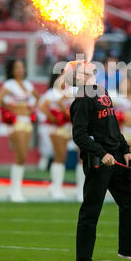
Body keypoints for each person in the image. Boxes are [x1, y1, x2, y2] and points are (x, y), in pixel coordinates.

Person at [65, 60, 131, 261]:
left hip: (115, 158)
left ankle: (127, 248)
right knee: (91, 210)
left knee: (130, 202)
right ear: (78, 77)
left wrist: (126, 151)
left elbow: (113, 125)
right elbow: (79, 135)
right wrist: (101, 153)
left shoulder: (101, 91)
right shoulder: (81, 100)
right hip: (99, 161)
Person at [0, 60, 39, 202]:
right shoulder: (9, 84)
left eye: (22, 67)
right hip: (16, 122)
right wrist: (11, 108)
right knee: (19, 154)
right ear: (12, 70)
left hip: (27, 121)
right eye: (17, 67)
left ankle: (15, 190)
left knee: (23, 155)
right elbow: (0, 98)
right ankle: (14, 191)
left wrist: (31, 109)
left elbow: (37, 97)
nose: (21, 70)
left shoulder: (28, 84)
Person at [39, 72, 84, 201]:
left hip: (73, 127)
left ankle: (80, 190)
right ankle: (56, 188)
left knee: (83, 156)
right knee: (60, 156)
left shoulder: (74, 90)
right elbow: (42, 107)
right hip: (58, 128)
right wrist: (54, 118)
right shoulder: (52, 93)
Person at [113, 76, 131, 155]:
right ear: (120, 85)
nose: (127, 85)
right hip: (122, 130)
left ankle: (129, 167)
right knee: (123, 153)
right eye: (124, 83)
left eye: (128, 83)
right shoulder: (117, 98)